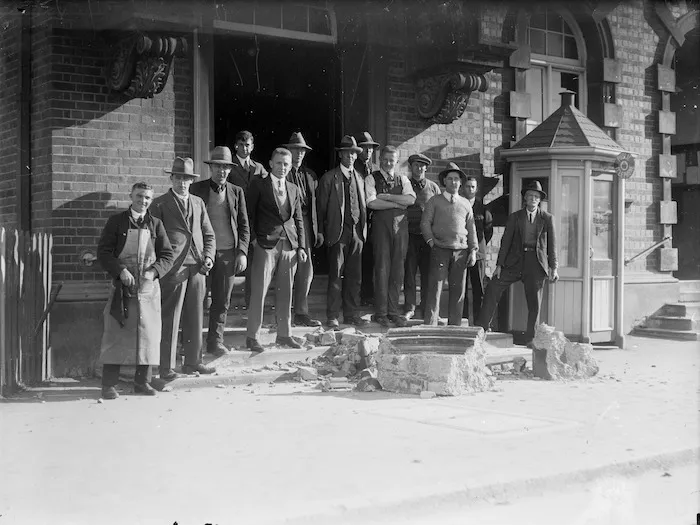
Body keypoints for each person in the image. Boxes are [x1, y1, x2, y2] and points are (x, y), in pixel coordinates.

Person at [96, 182, 175, 399]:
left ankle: (143, 383)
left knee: (147, 335)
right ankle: (108, 385)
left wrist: (154, 272)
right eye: (139, 196)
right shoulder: (117, 222)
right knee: (116, 333)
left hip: (148, 290)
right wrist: (120, 270)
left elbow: (167, 255)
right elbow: (103, 252)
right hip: (123, 288)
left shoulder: (156, 224)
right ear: (131, 196)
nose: (143, 201)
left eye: (148, 198)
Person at [151, 157, 217, 380]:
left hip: (197, 267)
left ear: (191, 180)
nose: (182, 182)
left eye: (187, 178)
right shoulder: (159, 204)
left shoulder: (198, 203)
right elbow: (153, 240)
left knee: (196, 316)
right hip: (173, 270)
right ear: (171, 178)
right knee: (170, 318)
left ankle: (193, 362)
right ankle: (166, 367)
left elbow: (208, 234)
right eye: (178, 177)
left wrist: (208, 256)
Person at [478, 180, 559, 345]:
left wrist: (554, 267)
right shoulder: (515, 217)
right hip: (515, 261)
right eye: (530, 196)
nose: (533, 199)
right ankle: (482, 329)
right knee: (494, 286)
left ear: (540, 200)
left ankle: (531, 338)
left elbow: (552, 244)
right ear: (525, 198)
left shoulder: (547, 219)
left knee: (534, 303)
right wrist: (499, 266)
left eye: (536, 196)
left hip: (536, 264)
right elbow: (505, 241)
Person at [189, 146, 250, 357]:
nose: (221, 171)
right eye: (217, 167)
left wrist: (242, 252)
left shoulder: (236, 192)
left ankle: (215, 341)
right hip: (201, 255)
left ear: (230, 170)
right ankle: (191, 344)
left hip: (227, 253)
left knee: (222, 300)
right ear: (211, 167)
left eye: (225, 167)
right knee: (196, 299)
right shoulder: (196, 190)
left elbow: (244, 226)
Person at [246, 148, 308, 353]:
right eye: (279, 163)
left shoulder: (294, 189)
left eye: (286, 164)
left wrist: (300, 245)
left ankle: (284, 334)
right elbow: (248, 215)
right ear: (271, 163)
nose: (283, 167)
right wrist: (254, 240)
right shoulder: (258, 185)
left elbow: (298, 219)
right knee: (259, 291)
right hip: (266, 245)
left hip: (289, 246)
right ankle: (253, 337)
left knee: (286, 293)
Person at [317, 135, 370, 329]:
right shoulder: (329, 178)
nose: (350, 156)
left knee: (355, 276)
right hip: (337, 232)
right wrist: (322, 232)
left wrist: (362, 233)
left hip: (356, 233)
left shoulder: (360, 178)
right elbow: (321, 209)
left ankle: (352, 314)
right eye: (347, 153)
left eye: (353, 153)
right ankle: (332, 315)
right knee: (336, 275)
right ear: (340, 155)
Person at [421, 163, 478, 326]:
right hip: (440, 250)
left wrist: (473, 250)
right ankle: (430, 325)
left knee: (458, 291)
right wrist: (431, 242)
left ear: (460, 183)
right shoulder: (435, 201)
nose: (454, 182)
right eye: (450, 179)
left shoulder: (466, 204)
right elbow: (425, 223)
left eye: (457, 179)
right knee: (435, 289)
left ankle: (455, 326)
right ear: (444, 181)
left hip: (461, 252)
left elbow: (471, 228)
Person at [365, 145, 416, 328]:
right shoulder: (372, 178)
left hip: (400, 229)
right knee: (382, 268)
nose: (388, 163)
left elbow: (410, 200)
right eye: (385, 160)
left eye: (392, 160)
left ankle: (394, 312)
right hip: (381, 228)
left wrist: (386, 197)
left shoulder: (403, 179)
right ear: (380, 160)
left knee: (397, 269)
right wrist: (397, 203)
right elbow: (371, 202)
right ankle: (381, 312)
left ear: (396, 161)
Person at [226, 130, 268, 309]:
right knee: (230, 260)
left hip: (255, 221)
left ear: (253, 146)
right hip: (234, 219)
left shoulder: (258, 168)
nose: (245, 148)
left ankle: (251, 303)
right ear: (236, 145)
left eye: (248, 144)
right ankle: (223, 303)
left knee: (253, 264)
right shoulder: (229, 166)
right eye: (242, 144)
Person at [284, 132, 322, 328]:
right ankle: (284, 314)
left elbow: (316, 206)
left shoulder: (310, 175)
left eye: (302, 151)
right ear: (288, 151)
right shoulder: (281, 173)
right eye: (295, 150)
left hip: (305, 224)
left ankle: (301, 312)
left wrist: (318, 230)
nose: (299, 154)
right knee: (287, 269)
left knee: (306, 270)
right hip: (287, 225)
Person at [403, 153, 440, 320]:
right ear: (411, 167)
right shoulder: (405, 184)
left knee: (427, 273)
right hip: (409, 235)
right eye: (415, 165)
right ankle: (409, 307)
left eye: (422, 166)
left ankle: (425, 307)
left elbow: (439, 212)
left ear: (426, 168)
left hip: (427, 238)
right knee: (409, 273)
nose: (419, 168)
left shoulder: (433, 188)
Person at [460, 176, 493, 323]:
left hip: (478, 255)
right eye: (467, 186)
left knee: (478, 288)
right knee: (461, 289)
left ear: (476, 189)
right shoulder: (459, 205)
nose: (470, 189)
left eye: (473, 187)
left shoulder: (483, 209)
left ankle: (479, 323)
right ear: (463, 188)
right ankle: (463, 320)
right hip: (461, 252)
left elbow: (488, 231)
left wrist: (478, 247)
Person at [356, 132, 380, 307]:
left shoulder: (375, 170)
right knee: (357, 259)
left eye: (370, 148)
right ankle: (356, 295)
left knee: (370, 259)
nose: (368, 151)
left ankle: (368, 294)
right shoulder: (353, 168)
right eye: (365, 147)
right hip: (357, 220)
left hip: (373, 220)